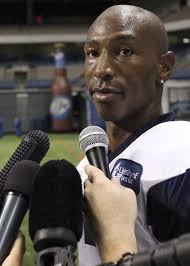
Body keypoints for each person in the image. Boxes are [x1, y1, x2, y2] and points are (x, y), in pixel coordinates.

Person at [77, 4, 190, 266]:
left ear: (164, 67)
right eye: (92, 53)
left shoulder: (181, 158)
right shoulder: (84, 167)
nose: (101, 69)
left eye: (124, 51)